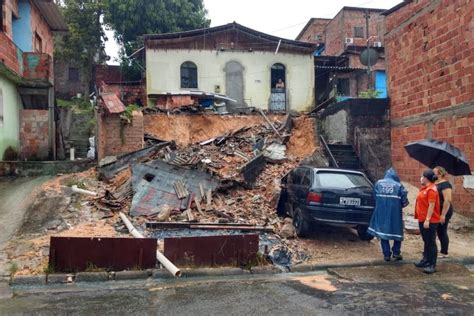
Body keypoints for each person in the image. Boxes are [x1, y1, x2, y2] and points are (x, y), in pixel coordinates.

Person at [368, 168, 409, 261]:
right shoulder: (399, 186)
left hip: (381, 212)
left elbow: (374, 197)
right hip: (395, 214)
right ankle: (396, 253)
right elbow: (404, 201)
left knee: (383, 233)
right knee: (397, 232)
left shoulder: (378, 183)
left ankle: (386, 254)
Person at [414, 169, 441, 274]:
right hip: (423, 219)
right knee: (427, 241)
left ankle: (432, 264)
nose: (421, 178)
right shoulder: (425, 188)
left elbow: (431, 205)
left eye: (422, 176)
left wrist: (427, 220)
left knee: (431, 242)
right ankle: (425, 260)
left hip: (430, 221)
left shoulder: (432, 190)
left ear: (426, 178)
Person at [433, 166, 453, 258]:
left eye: (434, 172)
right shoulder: (436, 183)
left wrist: (443, 215)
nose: (433, 174)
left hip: (444, 210)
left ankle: (444, 252)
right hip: (437, 210)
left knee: (442, 231)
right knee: (438, 230)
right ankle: (436, 250)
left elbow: (447, 200)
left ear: (440, 174)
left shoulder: (445, 184)